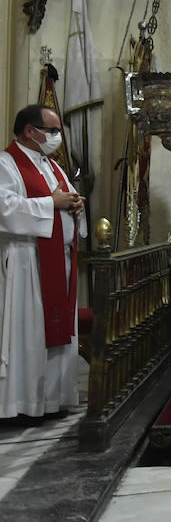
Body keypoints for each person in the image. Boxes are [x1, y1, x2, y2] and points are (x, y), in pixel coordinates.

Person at [0, 105, 85, 419]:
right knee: (29, 333)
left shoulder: (53, 166)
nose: (57, 137)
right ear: (29, 131)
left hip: (57, 261)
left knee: (56, 332)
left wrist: (75, 204)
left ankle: (53, 400)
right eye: (51, 130)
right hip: (26, 262)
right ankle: (22, 404)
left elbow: (66, 198)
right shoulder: (6, 163)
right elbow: (4, 208)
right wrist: (53, 202)